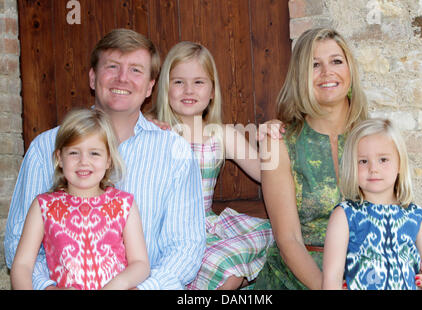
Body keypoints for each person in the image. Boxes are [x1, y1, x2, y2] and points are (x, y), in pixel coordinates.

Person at [4, 28, 205, 290]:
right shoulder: (45, 147)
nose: (122, 78)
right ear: (92, 77)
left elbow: (186, 247)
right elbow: (18, 244)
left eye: (135, 70)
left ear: (150, 87)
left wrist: (141, 289)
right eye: (112, 66)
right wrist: (47, 287)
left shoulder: (175, 152)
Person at [253, 27, 422, 289]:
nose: (327, 73)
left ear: (350, 70)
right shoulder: (278, 141)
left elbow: (397, 216)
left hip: (371, 274)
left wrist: (413, 270)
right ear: (300, 75)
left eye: (336, 61)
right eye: (315, 64)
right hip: (299, 277)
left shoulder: (375, 139)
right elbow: (288, 239)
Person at [153, 41, 274, 290]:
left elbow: (266, 174)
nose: (189, 90)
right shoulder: (154, 132)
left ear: (212, 92)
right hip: (167, 230)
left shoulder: (222, 134)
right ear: (165, 88)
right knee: (222, 273)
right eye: (178, 82)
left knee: (234, 269)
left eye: (198, 82)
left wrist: (272, 139)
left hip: (205, 227)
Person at [10, 108, 150, 290]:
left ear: (109, 160)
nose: (84, 161)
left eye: (95, 153)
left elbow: (140, 263)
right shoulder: (44, 206)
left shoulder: (124, 204)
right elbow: (22, 266)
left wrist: (118, 284)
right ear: (60, 158)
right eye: (74, 153)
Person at [322, 118, 422, 289]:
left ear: (400, 164)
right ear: (352, 166)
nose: (373, 168)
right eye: (363, 161)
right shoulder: (345, 215)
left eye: (383, 160)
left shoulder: (415, 216)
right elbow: (331, 278)